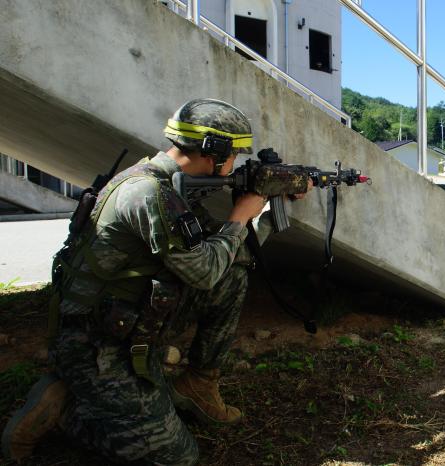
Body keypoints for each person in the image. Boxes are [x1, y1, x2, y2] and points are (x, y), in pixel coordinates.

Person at [2, 98, 309, 465]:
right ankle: (66, 410)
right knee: (177, 457)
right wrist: (241, 215)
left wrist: (270, 208)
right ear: (217, 153)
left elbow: (224, 255)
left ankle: (199, 382)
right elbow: (204, 270)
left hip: (125, 319)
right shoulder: (150, 194)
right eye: (237, 155)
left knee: (234, 276)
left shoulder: (163, 184)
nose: (236, 164)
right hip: (94, 343)